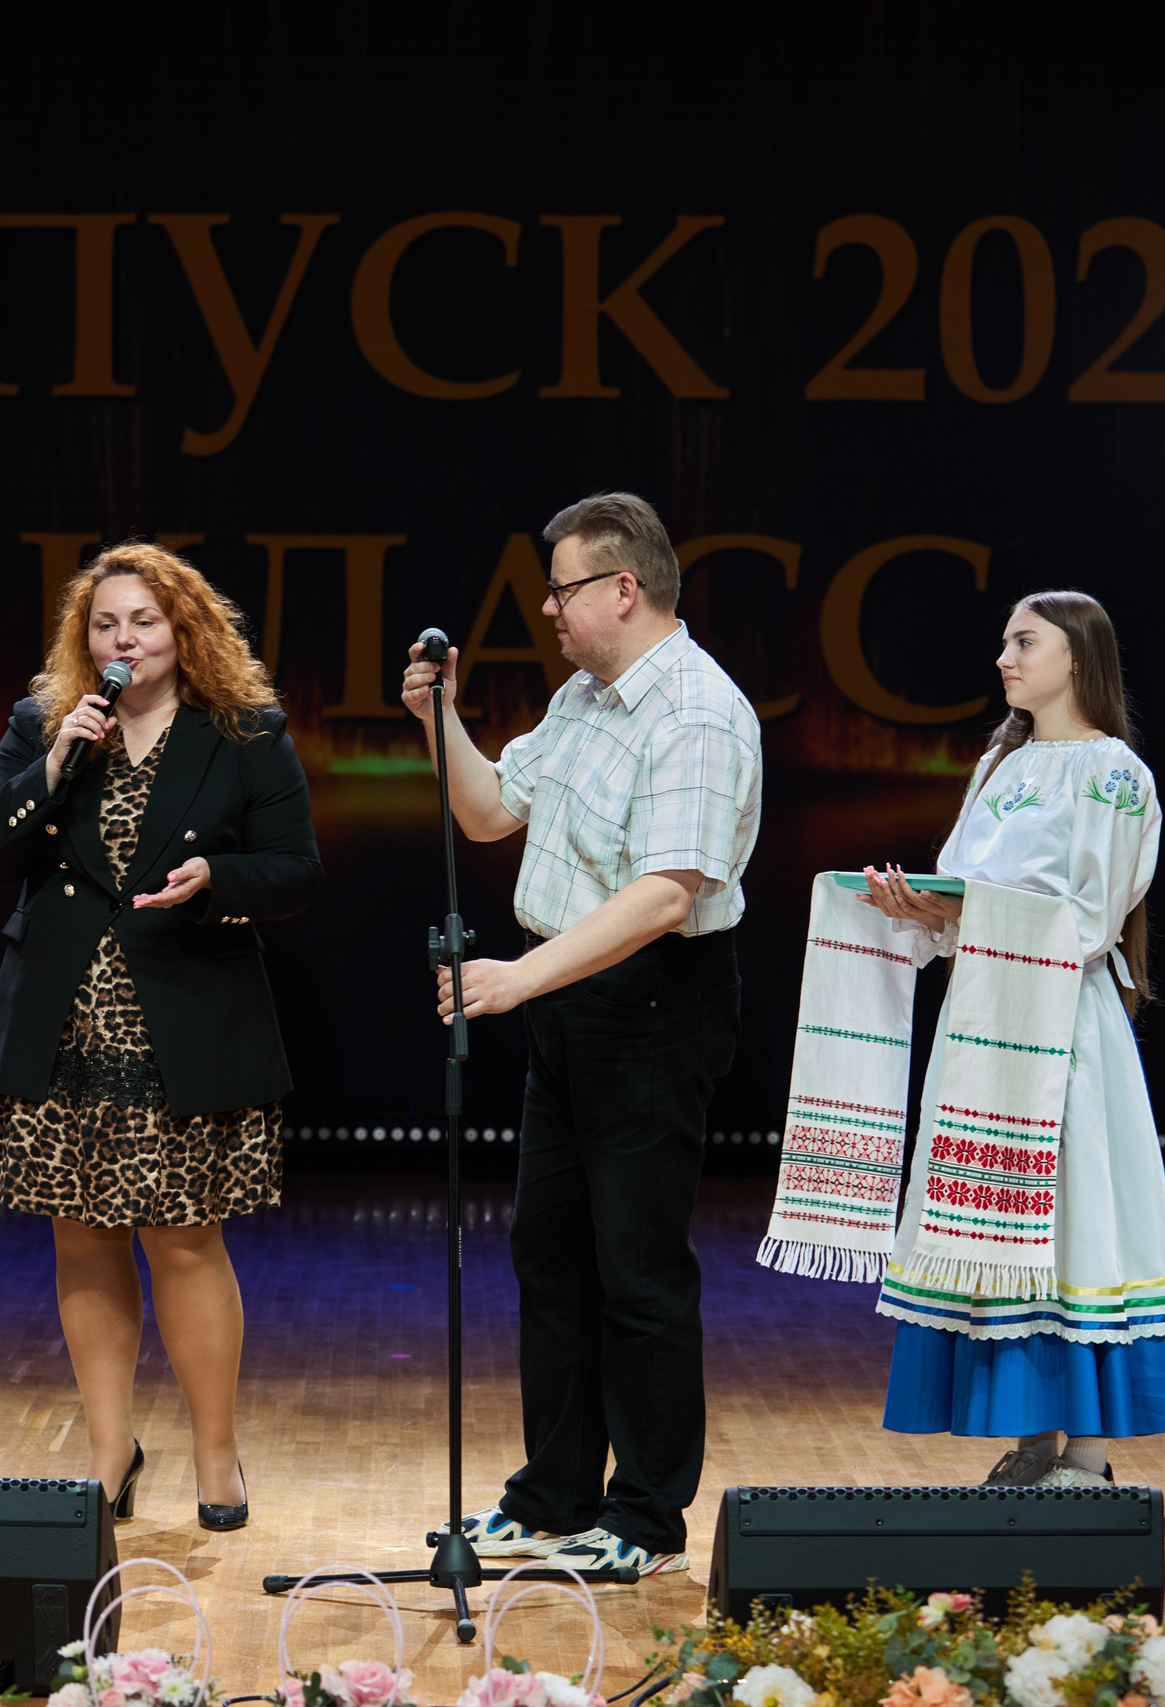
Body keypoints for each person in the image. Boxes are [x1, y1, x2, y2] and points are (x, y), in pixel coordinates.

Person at [405, 492, 761, 1580]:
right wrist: (439, 718)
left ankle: (647, 1517)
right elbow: (484, 815)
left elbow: (664, 896)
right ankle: (553, 1494)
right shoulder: (583, 699)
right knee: (548, 1255)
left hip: (650, 1003)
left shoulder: (694, 712)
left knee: (636, 1267)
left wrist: (517, 979)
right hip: (566, 999)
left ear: (622, 588)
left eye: (561, 589)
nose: (548, 610)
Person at [0, 541, 320, 1532]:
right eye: (105, 624)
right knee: (80, 1237)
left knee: (184, 1240)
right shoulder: (45, 725)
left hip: (183, 1019)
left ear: (184, 631)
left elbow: (297, 867)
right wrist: (50, 765)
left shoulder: (243, 732)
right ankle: (107, 1449)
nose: (123, 640)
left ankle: (216, 1455)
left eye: (144, 622)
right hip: (61, 1022)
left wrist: (222, 882)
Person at [857, 590, 1165, 1485]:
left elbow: (1089, 915)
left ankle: (1087, 1453)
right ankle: (1028, 1440)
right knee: (997, 1220)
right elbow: (965, 885)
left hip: (1061, 1023)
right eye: (1005, 642)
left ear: (1077, 656)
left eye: (1024, 641)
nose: (1004, 658)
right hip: (984, 1021)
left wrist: (966, 906)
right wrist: (923, 907)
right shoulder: (1001, 766)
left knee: (1073, 1219)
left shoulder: (1115, 773)